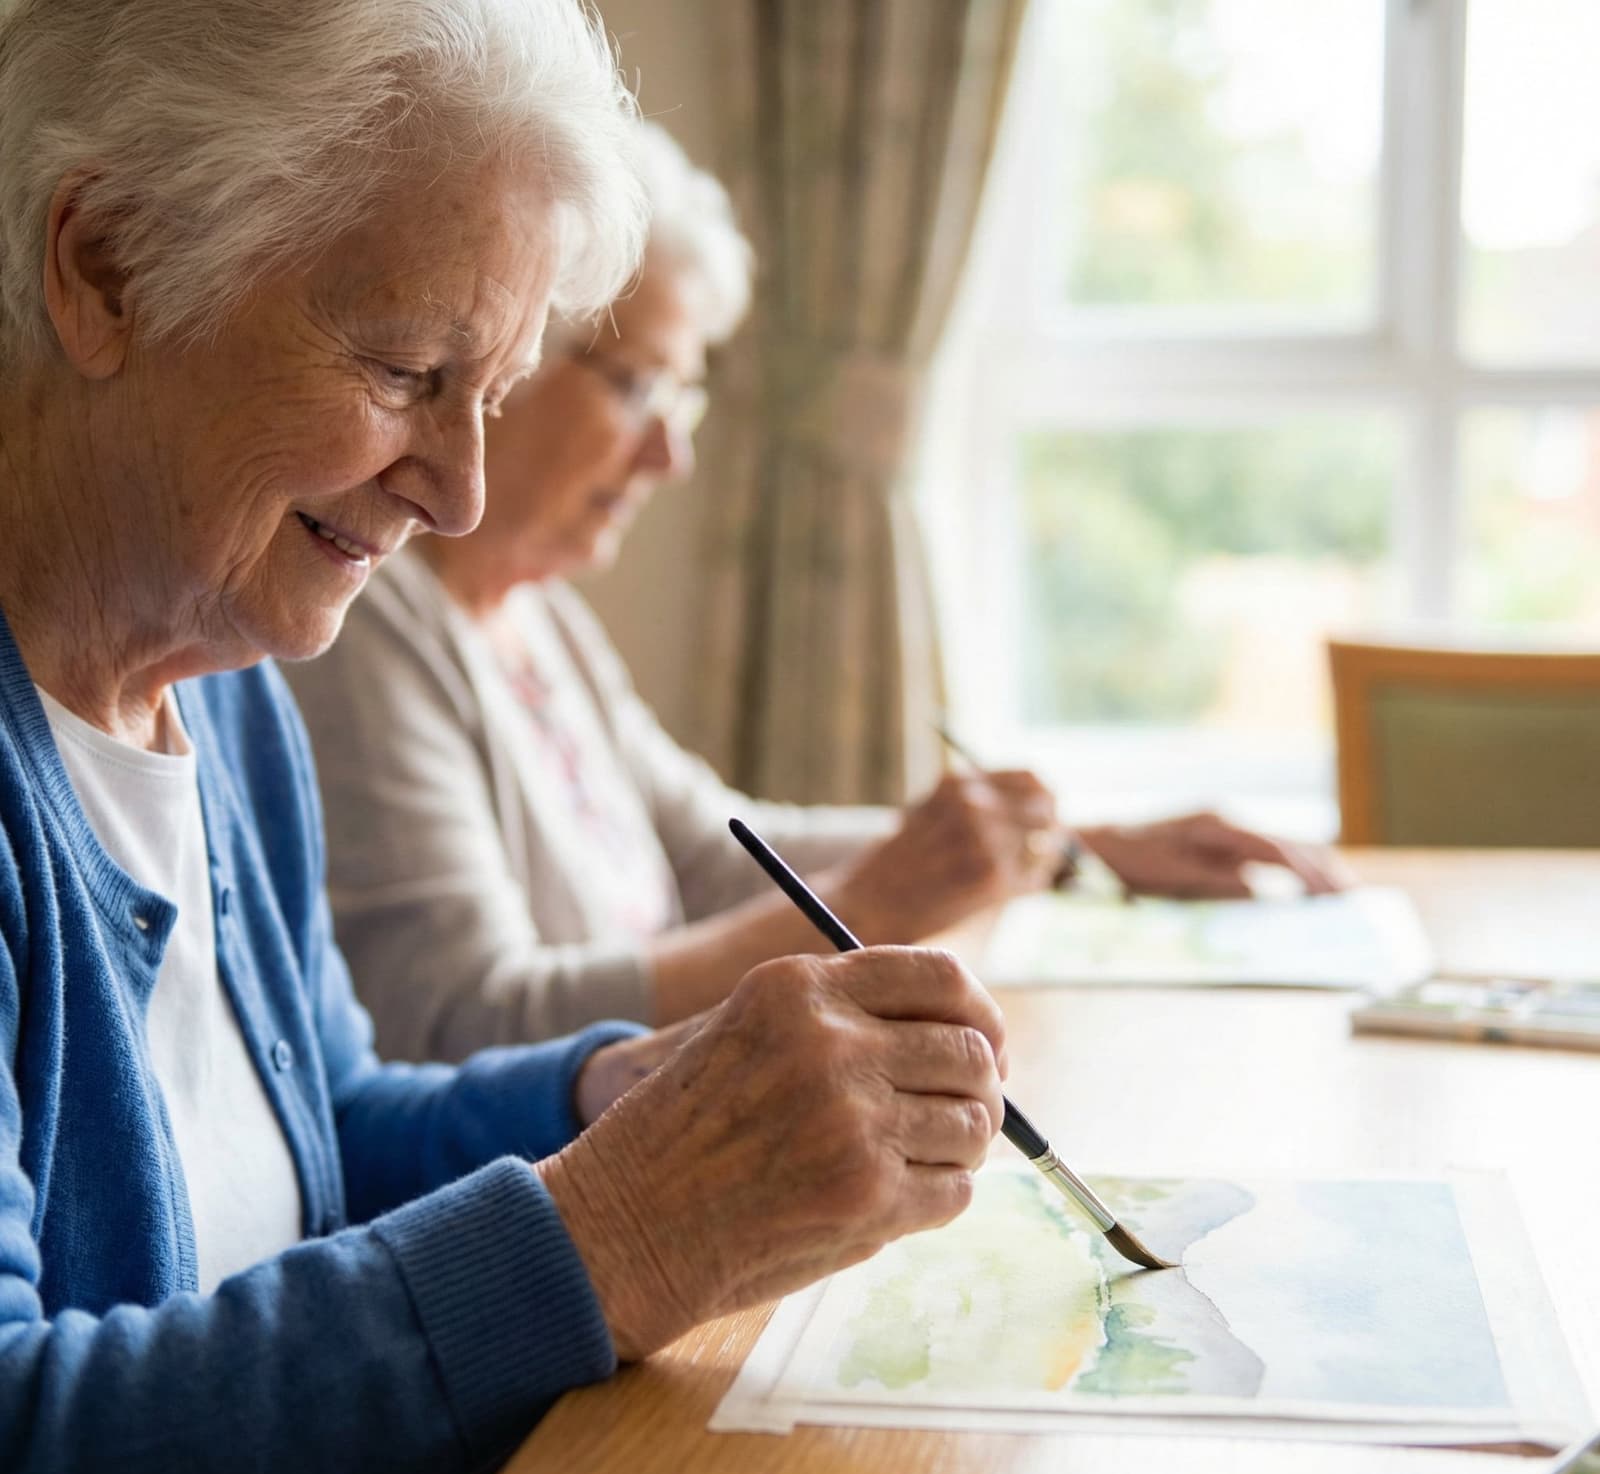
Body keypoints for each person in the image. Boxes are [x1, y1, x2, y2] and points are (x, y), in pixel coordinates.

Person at [0, 5, 1011, 1474]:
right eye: (410, 371)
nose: (461, 488)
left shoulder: (223, 685)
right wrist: (624, 1230)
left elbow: (325, 1129)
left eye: (502, 386)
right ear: (105, 265)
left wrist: (624, 1101)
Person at [286, 125, 1343, 1062]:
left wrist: (1069, 851)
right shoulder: (370, 627)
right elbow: (463, 1024)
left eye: (684, 395)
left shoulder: (533, 617)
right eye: (635, 383)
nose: (670, 454)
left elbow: (718, 851)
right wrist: (878, 903)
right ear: (504, 362)